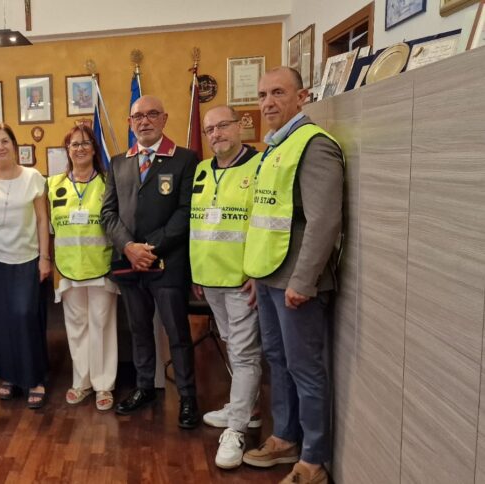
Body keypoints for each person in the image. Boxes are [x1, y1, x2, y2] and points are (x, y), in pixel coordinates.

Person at [241, 67, 344, 484]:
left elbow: (324, 221)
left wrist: (303, 281)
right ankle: (285, 438)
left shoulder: (314, 145)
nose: (268, 102)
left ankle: (313, 461)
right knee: (277, 361)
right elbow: (267, 217)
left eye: (278, 93)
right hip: (268, 277)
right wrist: (255, 272)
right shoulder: (273, 147)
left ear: (302, 97)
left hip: (297, 283)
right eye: (262, 94)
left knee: (305, 368)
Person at [100, 95, 199, 428]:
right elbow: (108, 213)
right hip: (129, 265)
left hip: (167, 264)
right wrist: (129, 247)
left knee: (177, 333)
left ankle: (187, 397)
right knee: (140, 330)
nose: (144, 121)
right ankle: (145, 388)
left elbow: (186, 212)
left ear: (164, 119)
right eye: (137, 116)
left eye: (152, 114)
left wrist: (150, 248)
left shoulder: (185, 159)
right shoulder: (118, 163)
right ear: (130, 123)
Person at [189, 105, 263, 469]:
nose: (216, 133)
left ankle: (236, 429)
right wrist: (196, 272)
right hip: (209, 278)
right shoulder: (202, 170)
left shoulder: (259, 166)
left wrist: (258, 272)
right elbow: (198, 224)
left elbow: (266, 223)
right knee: (232, 344)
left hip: (242, 280)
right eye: (210, 129)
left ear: (239, 126)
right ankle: (245, 408)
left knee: (245, 352)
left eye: (223, 126)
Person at [0, 122, 51, 409]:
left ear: (15, 146)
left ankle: (35, 378)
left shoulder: (32, 178)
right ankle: (10, 376)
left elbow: (42, 219)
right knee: (0, 321)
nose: (0, 147)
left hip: (25, 259)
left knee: (25, 317)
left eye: (5, 141)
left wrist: (44, 257)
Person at [48, 124, 118, 411]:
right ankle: (82, 382)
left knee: (102, 325)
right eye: (74, 144)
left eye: (86, 143)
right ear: (67, 150)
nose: (80, 148)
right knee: (76, 327)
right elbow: (48, 228)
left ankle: (103, 385)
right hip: (68, 268)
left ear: (94, 148)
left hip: (101, 265)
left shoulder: (108, 182)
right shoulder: (53, 184)